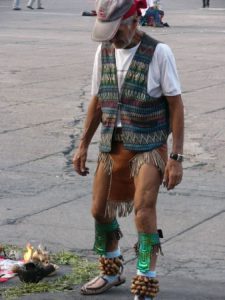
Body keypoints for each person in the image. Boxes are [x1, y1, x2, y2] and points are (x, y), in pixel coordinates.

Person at [72, 0, 184, 299]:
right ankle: (111, 270)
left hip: (149, 142)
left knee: (143, 212)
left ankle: (146, 279)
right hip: (112, 142)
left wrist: (175, 157)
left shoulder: (160, 52)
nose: (110, 37)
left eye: (115, 29)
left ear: (133, 21)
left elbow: (176, 104)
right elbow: (97, 99)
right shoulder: (104, 50)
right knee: (99, 210)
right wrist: (83, 144)